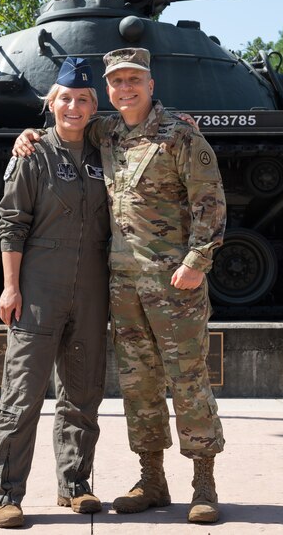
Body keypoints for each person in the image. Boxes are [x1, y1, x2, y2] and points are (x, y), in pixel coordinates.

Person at [14, 47, 227, 524]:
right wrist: (28, 135)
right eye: (116, 82)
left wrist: (197, 261)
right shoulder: (105, 130)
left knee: (188, 380)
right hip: (124, 287)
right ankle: (152, 479)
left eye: (134, 80)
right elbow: (64, 123)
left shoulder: (180, 135)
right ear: (107, 90)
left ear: (151, 85)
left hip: (175, 284)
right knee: (139, 385)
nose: (125, 88)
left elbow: (209, 204)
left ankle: (204, 482)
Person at [0, 57, 110, 529]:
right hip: (39, 285)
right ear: (51, 103)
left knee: (83, 394)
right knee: (22, 396)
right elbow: (11, 223)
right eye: (65, 98)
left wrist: (181, 119)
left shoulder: (106, 152)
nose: (74, 107)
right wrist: (10, 287)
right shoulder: (33, 153)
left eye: (83, 99)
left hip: (92, 287)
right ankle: (6, 493)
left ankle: (76, 485)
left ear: (93, 106)